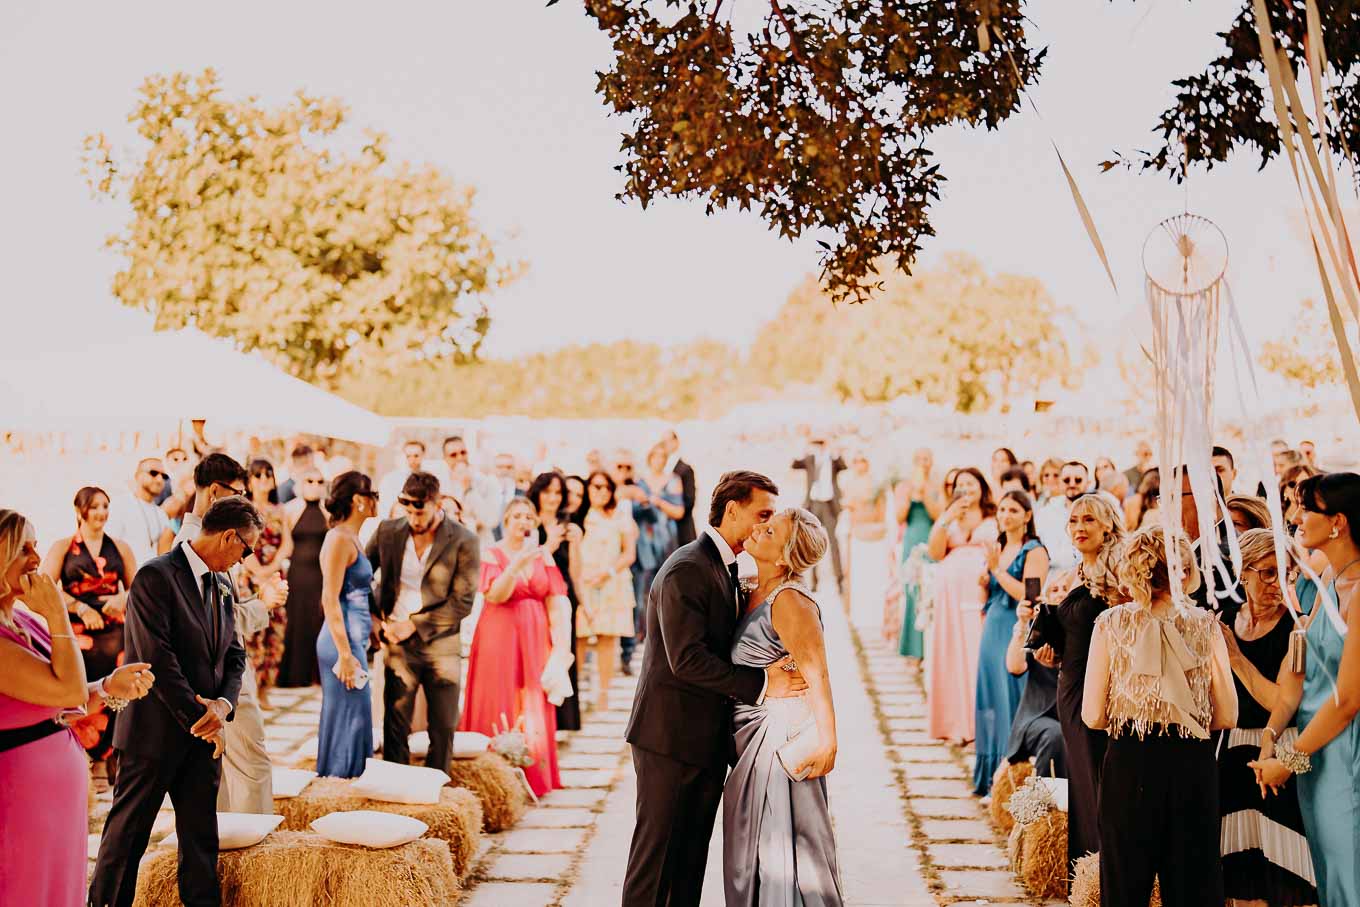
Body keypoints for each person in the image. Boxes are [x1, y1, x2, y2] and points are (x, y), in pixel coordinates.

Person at [622, 471, 809, 907]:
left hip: (704, 741)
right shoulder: (688, 568)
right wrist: (765, 682)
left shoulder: (728, 566)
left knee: (689, 865)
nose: (767, 525)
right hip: (669, 740)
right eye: (762, 514)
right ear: (732, 510)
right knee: (656, 864)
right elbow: (686, 659)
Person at [88, 496, 258, 907]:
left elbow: (235, 655)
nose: (244, 559)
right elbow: (157, 659)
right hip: (153, 735)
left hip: (202, 737)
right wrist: (202, 719)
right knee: (126, 841)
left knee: (201, 842)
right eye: (246, 549)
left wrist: (223, 707)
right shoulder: (155, 576)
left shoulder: (223, 583)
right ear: (229, 536)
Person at [1, 510, 154, 907]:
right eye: (23, 550)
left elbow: (64, 702)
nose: (36, 559)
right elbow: (66, 689)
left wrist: (107, 686)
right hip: (20, 797)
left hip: (55, 800)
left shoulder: (23, 622)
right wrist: (57, 613)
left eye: (36, 546)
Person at [1083, 525, 1237, 907]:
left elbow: (1093, 715)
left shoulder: (1109, 624)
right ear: (1185, 569)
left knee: (1124, 888)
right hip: (1191, 763)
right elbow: (1228, 714)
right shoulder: (1206, 624)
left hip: (1130, 761)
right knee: (1194, 889)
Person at [724, 507, 843, 906]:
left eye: (771, 531)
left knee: (784, 845)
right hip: (749, 739)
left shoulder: (790, 601)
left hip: (777, 740)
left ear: (783, 557)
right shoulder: (748, 588)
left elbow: (818, 674)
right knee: (752, 846)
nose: (759, 528)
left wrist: (828, 742)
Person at [1253, 473, 1360, 906]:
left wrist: (1289, 759)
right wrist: (1271, 735)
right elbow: (1297, 672)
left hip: (1345, 755)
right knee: (1329, 870)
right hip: (1314, 752)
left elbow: (1348, 700)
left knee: (1348, 872)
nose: (1295, 518)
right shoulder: (1328, 578)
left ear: (1338, 522)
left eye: (1305, 508)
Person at [173, 453, 281, 813]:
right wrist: (263, 604)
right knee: (252, 767)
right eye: (239, 493)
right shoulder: (194, 546)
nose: (244, 502)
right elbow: (213, 621)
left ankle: (224, 840)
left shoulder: (194, 541)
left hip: (217, 672)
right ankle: (257, 843)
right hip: (221, 674)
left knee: (218, 770)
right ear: (215, 491)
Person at [1216, 529, 1318, 906]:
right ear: (1242, 573)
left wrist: (1236, 660)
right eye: (1269, 572)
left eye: (1287, 573)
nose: (1279, 583)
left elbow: (1282, 700)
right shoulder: (1224, 619)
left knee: (1286, 870)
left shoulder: (1298, 626)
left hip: (1281, 750)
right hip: (1233, 752)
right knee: (1240, 872)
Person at [1031, 492, 1126, 873]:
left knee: (1099, 779)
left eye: (1089, 519)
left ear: (1108, 525)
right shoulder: (1075, 572)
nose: (1079, 527)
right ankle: (1084, 874)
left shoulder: (1118, 572)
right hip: (1069, 685)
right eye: (1073, 520)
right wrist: (1050, 648)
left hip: (1101, 689)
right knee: (1081, 780)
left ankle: (1107, 872)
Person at [366, 472, 480, 775]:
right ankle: (395, 787)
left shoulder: (464, 540)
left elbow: (462, 602)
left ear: (437, 504)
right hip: (397, 643)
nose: (414, 519)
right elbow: (360, 575)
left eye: (421, 511)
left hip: (442, 644)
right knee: (395, 723)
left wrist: (413, 625)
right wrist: (373, 617)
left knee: (443, 726)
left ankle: (436, 787)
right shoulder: (387, 531)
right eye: (409, 511)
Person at [459, 498, 572, 797]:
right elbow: (496, 595)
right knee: (499, 693)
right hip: (499, 633)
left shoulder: (543, 555)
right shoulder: (492, 553)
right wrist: (517, 565)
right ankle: (495, 776)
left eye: (529, 517)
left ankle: (534, 773)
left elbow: (555, 599)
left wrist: (561, 645)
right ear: (506, 521)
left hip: (535, 635)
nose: (523, 522)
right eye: (517, 516)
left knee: (531, 696)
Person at [40, 486, 137, 772]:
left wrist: (121, 598)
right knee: (80, 689)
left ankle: (108, 758)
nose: (101, 512)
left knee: (116, 689)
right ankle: (79, 756)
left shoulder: (120, 547)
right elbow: (45, 588)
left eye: (105, 506)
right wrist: (81, 608)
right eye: (94, 506)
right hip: (77, 633)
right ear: (79, 510)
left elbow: (139, 588)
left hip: (114, 633)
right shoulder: (63, 547)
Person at [974, 490, 1048, 795]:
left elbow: (1029, 595)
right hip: (992, 626)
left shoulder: (1035, 551)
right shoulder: (999, 546)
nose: (1005, 515)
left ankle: (1011, 779)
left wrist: (997, 570)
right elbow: (988, 592)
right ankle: (989, 776)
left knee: (1010, 698)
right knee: (989, 700)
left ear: (1027, 515)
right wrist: (984, 580)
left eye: (1013, 510)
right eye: (1002, 509)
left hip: (1015, 627)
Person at [925, 466, 997, 743]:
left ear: (982, 487)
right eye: (960, 484)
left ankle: (979, 724)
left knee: (976, 651)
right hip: (951, 595)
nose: (966, 489)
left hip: (980, 591)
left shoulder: (993, 516)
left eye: (970, 483)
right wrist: (948, 517)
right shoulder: (949, 517)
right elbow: (935, 552)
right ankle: (954, 723)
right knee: (953, 650)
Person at [315, 472, 379, 778]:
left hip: (354, 639)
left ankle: (350, 780)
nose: (377, 499)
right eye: (373, 494)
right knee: (349, 718)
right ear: (358, 500)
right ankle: (339, 780)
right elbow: (329, 598)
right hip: (341, 643)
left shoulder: (352, 537)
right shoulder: (339, 538)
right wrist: (345, 654)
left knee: (356, 714)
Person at [528, 471, 585, 732]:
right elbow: (524, 561)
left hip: (562, 595)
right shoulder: (528, 521)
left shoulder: (568, 524)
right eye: (547, 492)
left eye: (557, 493)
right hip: (535, 594)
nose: (552, 498)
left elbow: (576, 570)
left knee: (562, 653)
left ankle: (562, 720)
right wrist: (549, 545)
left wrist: (577, 543)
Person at [1004, 571, 1074, 782]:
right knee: (1055, 735)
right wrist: (1022, 623)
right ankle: (1043, 797)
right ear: (1046, 597)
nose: (1060, 593)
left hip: (1073, 715)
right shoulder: (1039, 628)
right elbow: (1015, 667)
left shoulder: (1084, 630)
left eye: (1066, 589)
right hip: (1038, 717)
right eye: (1055, 590)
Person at [578, 470, 637, 711]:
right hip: (584, 581)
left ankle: (603, 693)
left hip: (612, 581)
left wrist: (607, 573)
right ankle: (577, 692)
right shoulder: (580, 514)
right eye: (596, 486)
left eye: (606, 487)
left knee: (607, 638)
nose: (601, 491)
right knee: (580, 636)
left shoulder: (620, 516)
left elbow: (629, 553)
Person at [626, 443, 685, 674]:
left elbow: (679, 511)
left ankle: (662, 637)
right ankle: (638, 637)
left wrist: (657, 502)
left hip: (666, 539)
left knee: (666, 589)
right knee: (641, 589)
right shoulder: (640, 481)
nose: (659, 461)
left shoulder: (673, 480)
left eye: (663, 457)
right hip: (643, 540)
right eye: (656, 457)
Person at [242, 459, 292, 710]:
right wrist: (258, 571)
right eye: (258, 475)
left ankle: (265, 690)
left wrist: (271, 569)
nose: (263, 480)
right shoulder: (242, 508)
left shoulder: (279, 510)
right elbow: (241, 543)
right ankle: (250, 688)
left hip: (274, 575)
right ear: (249, 480)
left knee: (275, 632)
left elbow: (287, 544)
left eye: (267, 475)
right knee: (252, 634)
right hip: (249, 576)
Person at [278, 467, 328, 687]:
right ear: (301, 483)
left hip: (320, 574)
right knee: (296, 620)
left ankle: (316, 675)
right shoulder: (289, 509)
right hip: (297, 572)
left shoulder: (328, 511)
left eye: (319, 481)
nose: (315, 485)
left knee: (317, 620)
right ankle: (294, 675)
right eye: (310, 480)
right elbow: (285, 544)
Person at [895, 448, 939, 660]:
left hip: (931, 538)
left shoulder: (937, 486)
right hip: (912, 539)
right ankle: (913, 650)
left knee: (930, 590)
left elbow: (938, 515)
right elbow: (899, 517)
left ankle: (929, 650)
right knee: (912, 590)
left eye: (926, 459)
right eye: (919, 459)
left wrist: (925, 493)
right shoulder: (904, 486)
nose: (923, 463)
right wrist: (910, 494)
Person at [843, 451, 891, 632]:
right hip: (857, 533)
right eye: (856, 461)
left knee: (874, 575)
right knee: (859, 577)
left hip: (874, 533)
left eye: (862, 460)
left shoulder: (876, 483)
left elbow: (881, 509)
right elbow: (849, 510)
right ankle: (858, 616)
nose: (859, 464)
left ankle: (876, 616)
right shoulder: (850, 484)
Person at [792, 438, 846, 594]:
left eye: (822, 444)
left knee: (834, 543)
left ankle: (839, 581)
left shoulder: (833, 459)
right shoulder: (810, 459)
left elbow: (844, 466)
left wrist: (834, 449)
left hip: (829, 505)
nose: (820, 447)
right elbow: (794, 464)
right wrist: (805, 446)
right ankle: (814, 582)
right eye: (817, 444)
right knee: (812, 542)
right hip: (814, 504)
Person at [105, 457, 174, 566]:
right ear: (138, 476)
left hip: (153, 574)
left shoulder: (161, 514)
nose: (160, 479)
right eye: (153, 473)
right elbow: (109, 546)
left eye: (164, 476)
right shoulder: (120, 504)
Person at [1035, 461, 1089, 573]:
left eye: (1078, 480)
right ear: (1060, 482)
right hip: (1051, 577)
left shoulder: (1100, 512)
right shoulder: (1045, 513)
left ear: (1087, 483)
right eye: (1066, 480)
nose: (1072, 484)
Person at [662, 429, 699, 547]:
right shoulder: (661, 470)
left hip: (682, 531)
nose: (666, 445)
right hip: (664, 533)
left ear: (676, 442)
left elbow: (690, 500)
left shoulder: (685, 469)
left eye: (668, 441)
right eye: (663, 442)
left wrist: (671, 510)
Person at [379, 440, 430, 517]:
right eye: (408, 456)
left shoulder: (430, 480)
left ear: (423, 456)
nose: (412, 460)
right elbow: (386, 508)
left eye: (416, 456)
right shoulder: (389, 480)